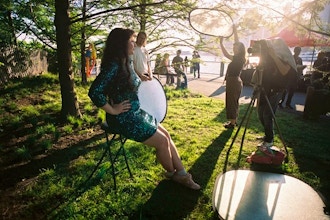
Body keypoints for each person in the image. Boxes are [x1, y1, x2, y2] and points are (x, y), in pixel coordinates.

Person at [88, 28, 200, 190]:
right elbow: (95, 91)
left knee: (166, 136)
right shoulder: (113, 65)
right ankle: (173, 174)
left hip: (136, 112)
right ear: (121, 44)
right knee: (161, 142)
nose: (134, 44)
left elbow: (128, 80)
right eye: (131, 42)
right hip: (124, 117)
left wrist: (142, 78)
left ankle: (181, 173)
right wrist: (112, 110)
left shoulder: (127, 61)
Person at [255, 39, 297, 154]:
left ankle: (269, 140)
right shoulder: (267, 57)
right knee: (260, 114)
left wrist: (274, 55)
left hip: (277, 90)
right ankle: (268, 135)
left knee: (267, 115)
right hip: (266, 88)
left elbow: (284, 71)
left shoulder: (285, 57)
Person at [219, 25, 246, 129]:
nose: (234, 48)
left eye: (236, 47)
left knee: (231, 102)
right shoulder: (240, 57)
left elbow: (226, 55)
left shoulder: (239, 58)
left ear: (240, 49)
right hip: (234, 81)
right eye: (234, 46)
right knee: (233, 101)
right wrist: (235, 30)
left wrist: (221, 43)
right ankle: (233, 121)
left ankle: (232, 123)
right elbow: (237, 41)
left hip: (234, 81)